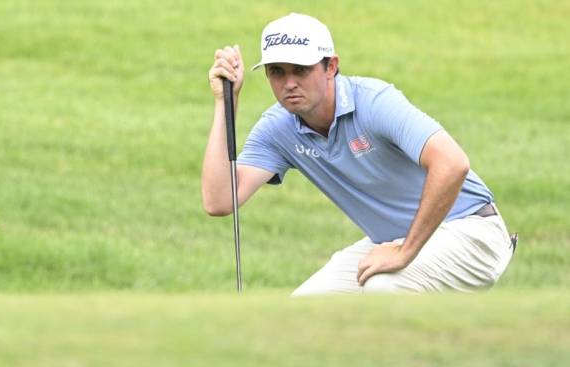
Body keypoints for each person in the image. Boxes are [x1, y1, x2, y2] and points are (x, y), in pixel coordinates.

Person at [202, 13, 515, 295]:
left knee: (384, 288)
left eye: (301, 69)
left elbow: (453, 163)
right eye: (277, 72)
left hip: (473, 231)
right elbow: (219, 201)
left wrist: (405, 250)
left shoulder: (375, 102)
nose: (289, 83)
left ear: (331, 67)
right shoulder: (278, 128)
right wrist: (225, 102)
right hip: (395, 241)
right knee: (301, 314)